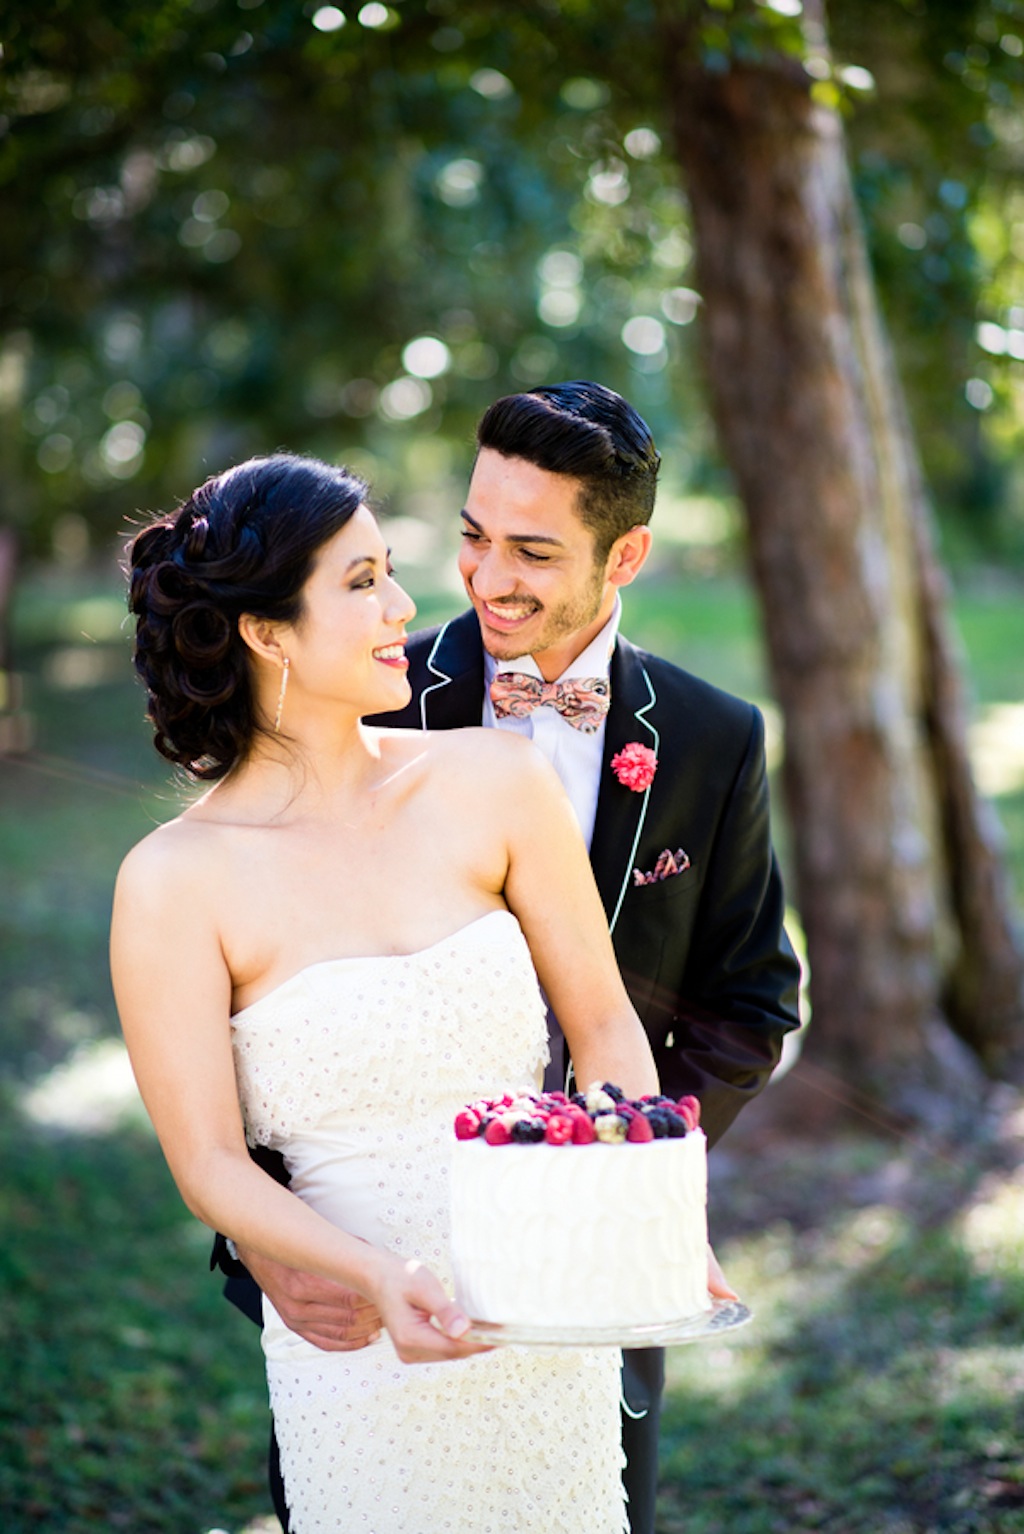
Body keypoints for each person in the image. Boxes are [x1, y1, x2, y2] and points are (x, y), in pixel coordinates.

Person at [221, 383, 802, 1534]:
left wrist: (613, 1178)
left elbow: (751, 1000)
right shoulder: (363, 691)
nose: (484, 580)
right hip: (359, 1265)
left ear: (624, 552)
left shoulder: (710, 739)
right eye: (474, 536)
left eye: (532, 550)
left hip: (594, 1267)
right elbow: (257, 990)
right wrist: (263, 1234)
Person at [111, 451, 663, 1533]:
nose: (404, 607)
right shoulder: (174, 882)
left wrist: (627, 1197)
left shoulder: (496, 783)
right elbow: (210, 1164)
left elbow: (603, 1027)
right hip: (356, 1348)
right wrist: (368, 1274)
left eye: (391, 572)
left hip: (542, 1321)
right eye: (360, 581)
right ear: (267, 633)